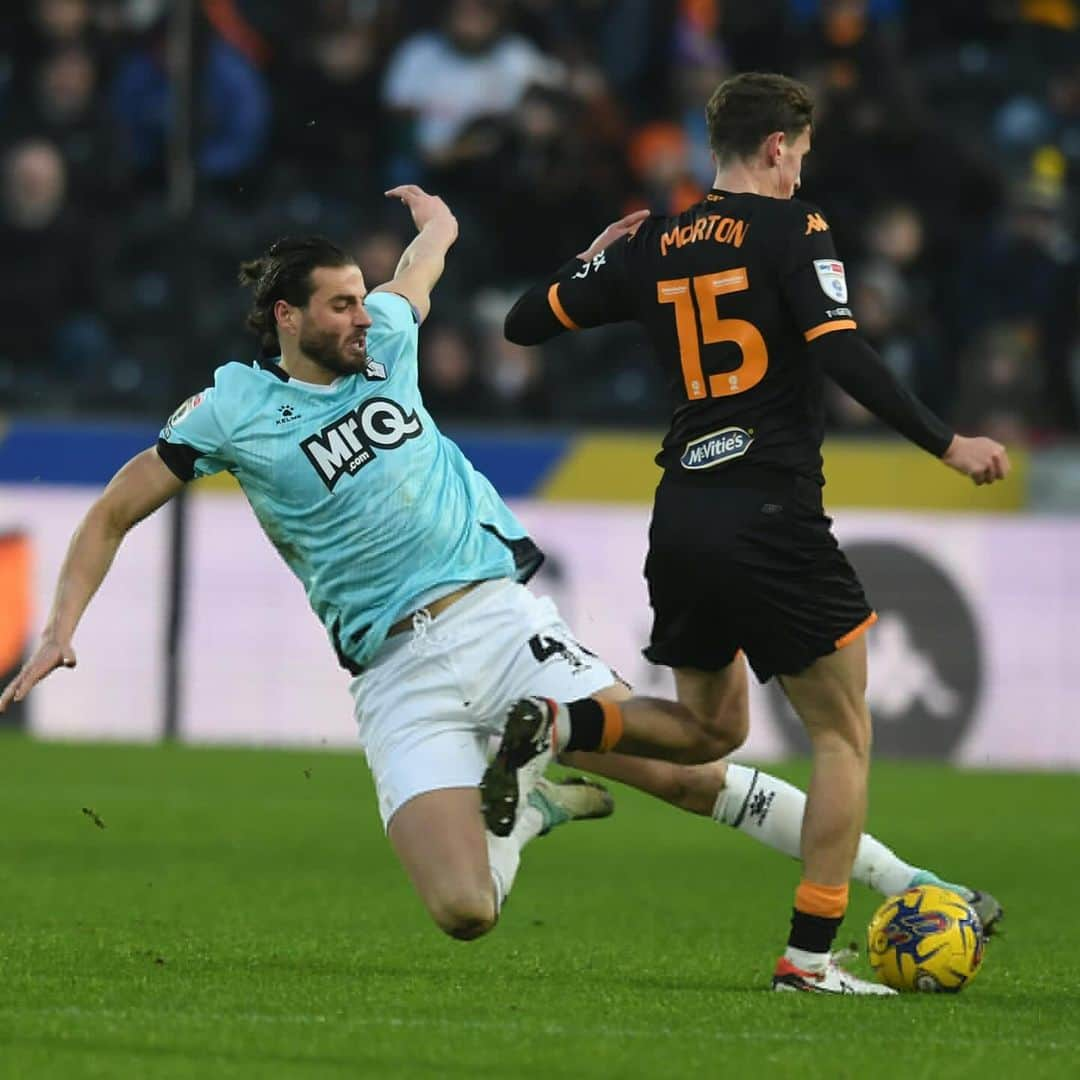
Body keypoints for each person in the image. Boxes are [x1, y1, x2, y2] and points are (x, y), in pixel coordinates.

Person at [0, 184, 997, 966]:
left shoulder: (387, 340)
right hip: (391, 675)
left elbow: (422, 271)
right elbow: (112, 511)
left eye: (363, 298)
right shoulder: (227, 412)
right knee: (465, 912)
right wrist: (60, 625)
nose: (365, 316)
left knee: (693, 776)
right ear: (284, 318)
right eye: (341, 305)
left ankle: (914, 884)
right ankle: (535, 802)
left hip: (493, 615)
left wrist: (438, 224)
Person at [497, 72, 1009, 993]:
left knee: (706, 729)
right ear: (778, 147)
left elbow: (524, 323)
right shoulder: (794, 225)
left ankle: (559, 722)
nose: (800, 170)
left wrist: (589, 263)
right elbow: (839, 346)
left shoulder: (652, 242)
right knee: (844, 737)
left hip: (682, 514)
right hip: (771, 509)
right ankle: (809, 959)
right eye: (800, 154)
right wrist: (947, 441)